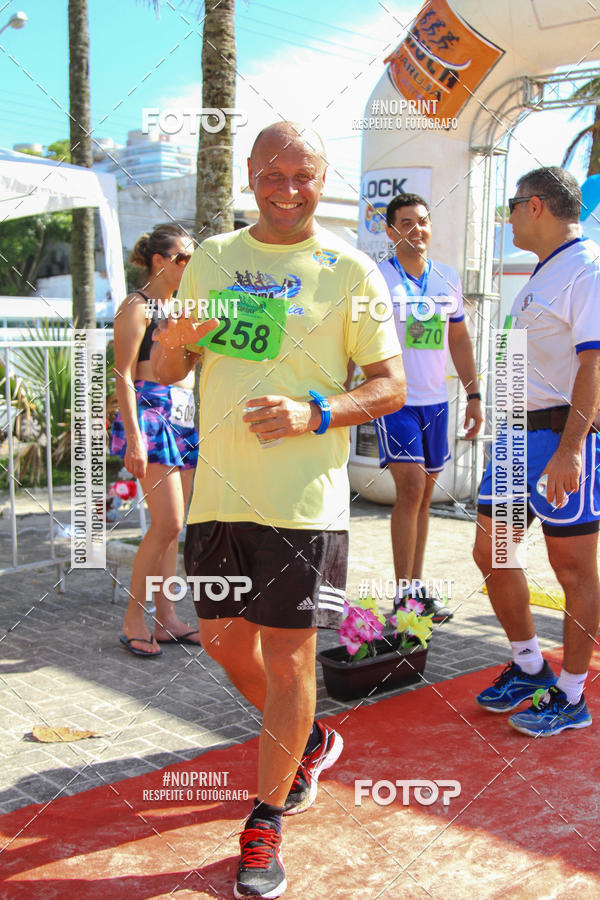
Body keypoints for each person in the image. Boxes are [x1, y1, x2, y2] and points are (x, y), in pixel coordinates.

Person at [151, 122, 405, 899]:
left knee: (293, 659)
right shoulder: (216, 260)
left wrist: (316, 412)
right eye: (274, 174)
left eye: (305, 176)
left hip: (305, 504)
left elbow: (389, 385)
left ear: (322, 180)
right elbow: (165, 367)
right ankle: (309, 740)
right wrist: (179, 330)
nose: (289, 190)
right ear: (251, 176)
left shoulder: (350, 268)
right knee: (225, 645)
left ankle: (264, 821)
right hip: (217, 497)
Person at [473, 166, 600, 737]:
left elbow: (595, 363)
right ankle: (529, 665)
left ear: (538, 206)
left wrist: (571, 449)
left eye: (513, 203)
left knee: (573, 568)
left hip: (560, 439)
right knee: (492, 550)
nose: (508, 214)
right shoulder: (544, 271)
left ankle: (572, 695)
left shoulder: (588, 268)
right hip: (518, 441)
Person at [373, 193, 482, 621]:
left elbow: (458, 339)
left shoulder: (446, 277)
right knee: (412, 489)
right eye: (406, 223)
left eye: (422, 221)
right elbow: (355, 338)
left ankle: (415, 590)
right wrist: (343, 391)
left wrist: (474, 396)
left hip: (437, 401)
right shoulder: (377, 277)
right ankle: (403, 595)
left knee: (424, 499)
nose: (416, 229)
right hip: (394, 398)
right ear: (389, 230)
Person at [111, 224, 203, 658]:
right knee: (165, 523)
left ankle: (166, 618)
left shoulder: (179, 306)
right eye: (183, 257)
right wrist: (133, 437)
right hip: (150, 413)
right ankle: (133, 619)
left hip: (183, 417)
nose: (190, 264)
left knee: (175, 528)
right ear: (159, 260)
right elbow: (122, 374)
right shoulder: (138, 305)